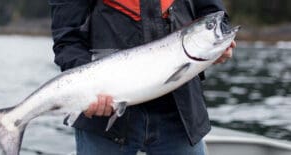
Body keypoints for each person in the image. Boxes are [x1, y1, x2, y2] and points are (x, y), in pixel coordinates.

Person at [49, 0, 236, 154]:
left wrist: (214, 48)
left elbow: (214, 14)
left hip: (181, 114)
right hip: (104, 122)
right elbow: (68, 40)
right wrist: (87, 93)